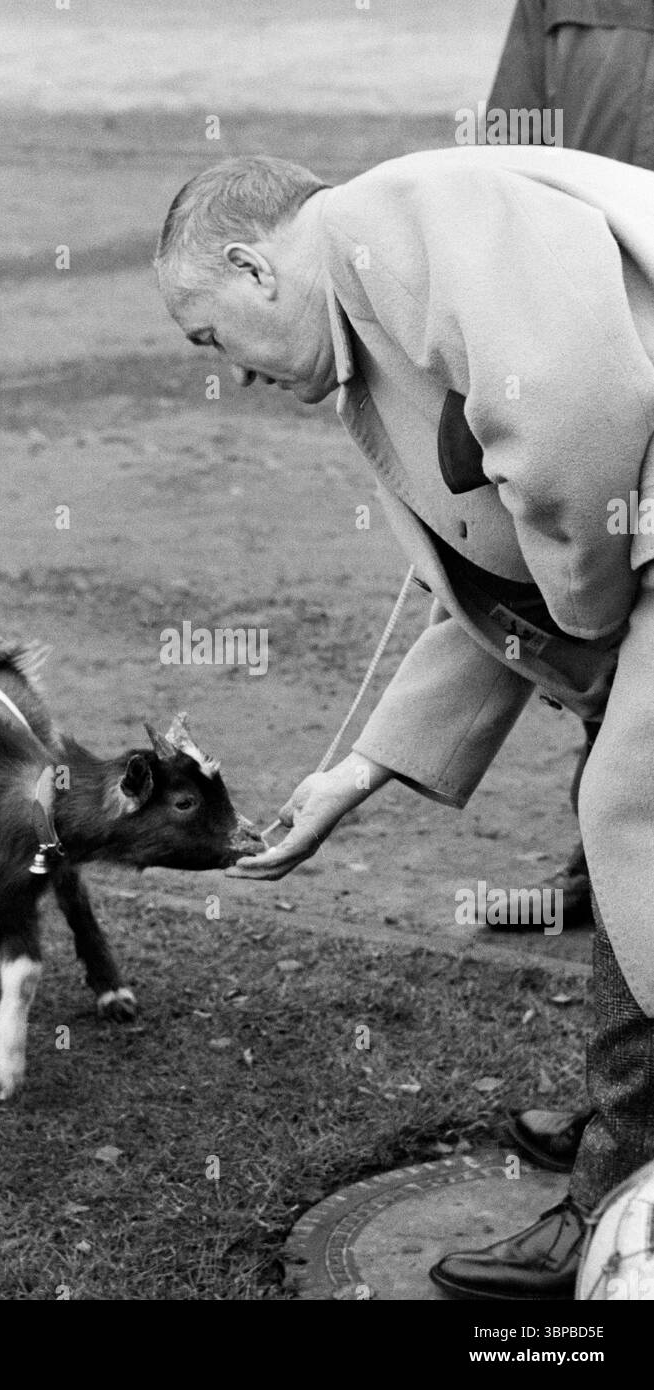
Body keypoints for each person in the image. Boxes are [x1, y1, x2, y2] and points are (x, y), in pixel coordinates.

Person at [154, 145, 654, 1298]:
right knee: (625, 810)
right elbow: (489, 604)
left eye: (208, 336)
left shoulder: (404, 215)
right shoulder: (367, 314)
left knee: (630, 808)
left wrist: (595, 618)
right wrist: (354, 776)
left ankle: (611, 1204)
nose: (224, 372)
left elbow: (576, 417)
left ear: (249, 265)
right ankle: (618, 1137)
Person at [484, 0, 654, 1187]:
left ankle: (618, 1158)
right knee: (615, 746)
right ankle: (620, 1113)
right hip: (596, 358)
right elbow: (498, 157)